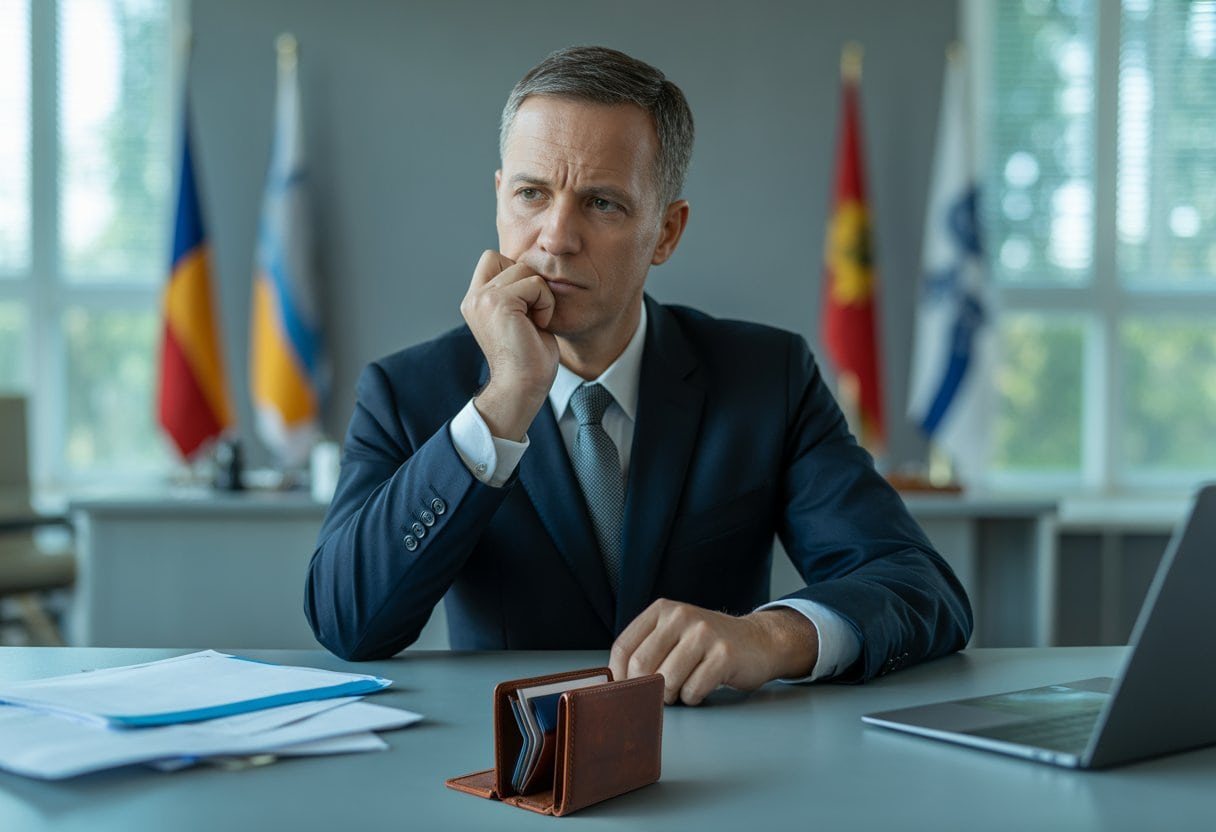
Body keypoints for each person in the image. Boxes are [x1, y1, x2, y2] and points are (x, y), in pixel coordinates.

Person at [305, 45, 972, 705]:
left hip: (720, 754)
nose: (556, 237)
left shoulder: (769, 378)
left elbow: (921, 587)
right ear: (499, 198)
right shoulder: (405, 392)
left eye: (602, 204)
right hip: (511, 759)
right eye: (532, 194)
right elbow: (345, 620)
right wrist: (503, 402)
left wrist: (767, 638)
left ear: (667, 233)